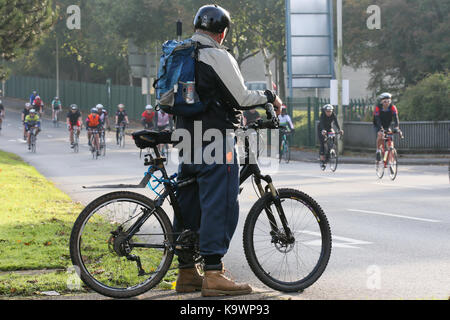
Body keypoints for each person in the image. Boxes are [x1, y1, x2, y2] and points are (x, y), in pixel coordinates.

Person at [173, 4, 283, 297]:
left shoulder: (180, 53)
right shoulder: (217, 55)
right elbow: (241, 96)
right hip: (217, 139)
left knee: (189, 202)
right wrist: (269, 97)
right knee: (220, 204)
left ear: (198, 27)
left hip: (186, 136)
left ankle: (186, 273)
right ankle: (213, 274)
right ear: (222, 33)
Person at [373, 92, 400, 161]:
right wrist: (380, 129)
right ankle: (378, 150)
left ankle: (390, 159)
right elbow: (377, 119)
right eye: (385, 101)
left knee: (390, 140)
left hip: (387, 125)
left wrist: (397, 127)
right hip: (378, 124)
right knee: (380, 135)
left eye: (388, 101)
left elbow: (396, 118)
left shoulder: (393, 107)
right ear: (382, 102)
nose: (387, 103)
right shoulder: (377, 108)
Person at [318, 104, 344, 169]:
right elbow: (321, 123)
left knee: (332, 138)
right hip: (321, 129)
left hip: (329, 128)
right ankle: (322, 159)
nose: (329, 113)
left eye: (330, 111)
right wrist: (323, 130)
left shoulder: (333, 115)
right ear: (325, 111)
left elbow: (336, 123)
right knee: (322, 143)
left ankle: (331, 149)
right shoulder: (322, 115)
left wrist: (339, 130)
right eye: (327, 111)